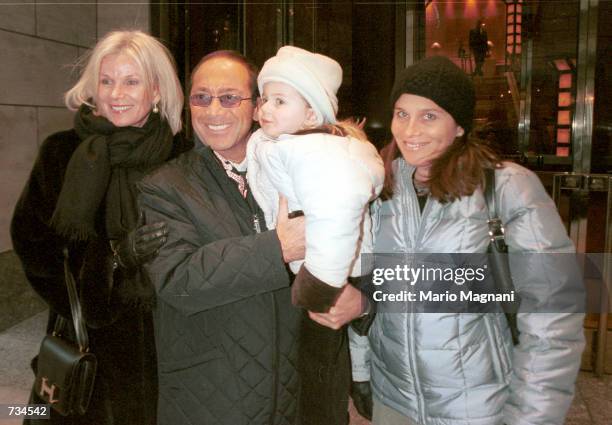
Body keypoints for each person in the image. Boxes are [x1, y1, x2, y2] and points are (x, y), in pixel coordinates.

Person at [335, 56, 584, 424]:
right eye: (402, 114)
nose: (410, 129)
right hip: (393, 403)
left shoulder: (505, 187)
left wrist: (531, 417)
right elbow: (374, 285)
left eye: (429, 116)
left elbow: (553, 316)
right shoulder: (378, 187)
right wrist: (362, 365)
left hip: (478, 408)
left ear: (460, 126)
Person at [11, 30, 190, 425]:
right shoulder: (62, 152)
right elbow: (32, 243)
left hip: (163, 341)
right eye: (106, 81)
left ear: (157, 91)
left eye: (131, 81)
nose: (115, 93)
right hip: (85, 336)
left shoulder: (182, 158)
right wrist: (108, 263)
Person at [137, 50, 306, 425]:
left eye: (229, 97)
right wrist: (277, 247)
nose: (213, 110)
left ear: (257, 106)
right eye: (201, 97)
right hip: (211, 395)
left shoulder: (291, 173)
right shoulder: (165, 186)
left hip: (287, 386)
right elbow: (177, 278)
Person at [245, 45, 384, 424]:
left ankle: (361, 382)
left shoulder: (316, 152)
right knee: (338, 346)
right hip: (320, 259)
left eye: (280, 100)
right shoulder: (280, 143)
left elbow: (336, 216)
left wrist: (318, 282)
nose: (266, 109)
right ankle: (359, 381)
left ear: (310, 113)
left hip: (334, 265)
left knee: (331, 350)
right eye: (264, 100)